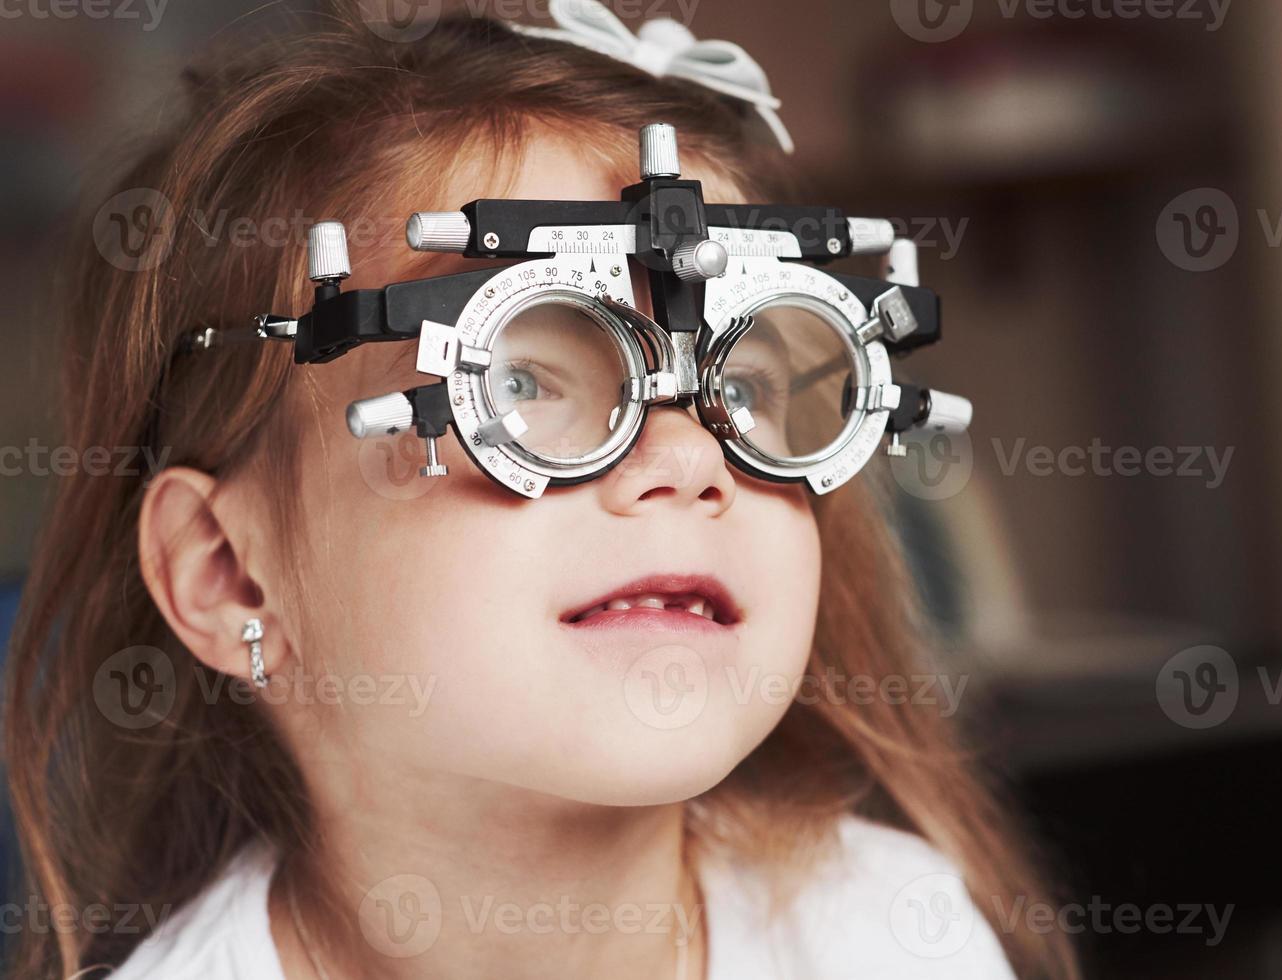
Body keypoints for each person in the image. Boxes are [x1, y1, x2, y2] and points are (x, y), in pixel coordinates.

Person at [3, 4, 1076, 978]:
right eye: (516, 380)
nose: (689, 458)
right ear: (232, 575)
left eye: (739, 381)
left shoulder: (888, 930)